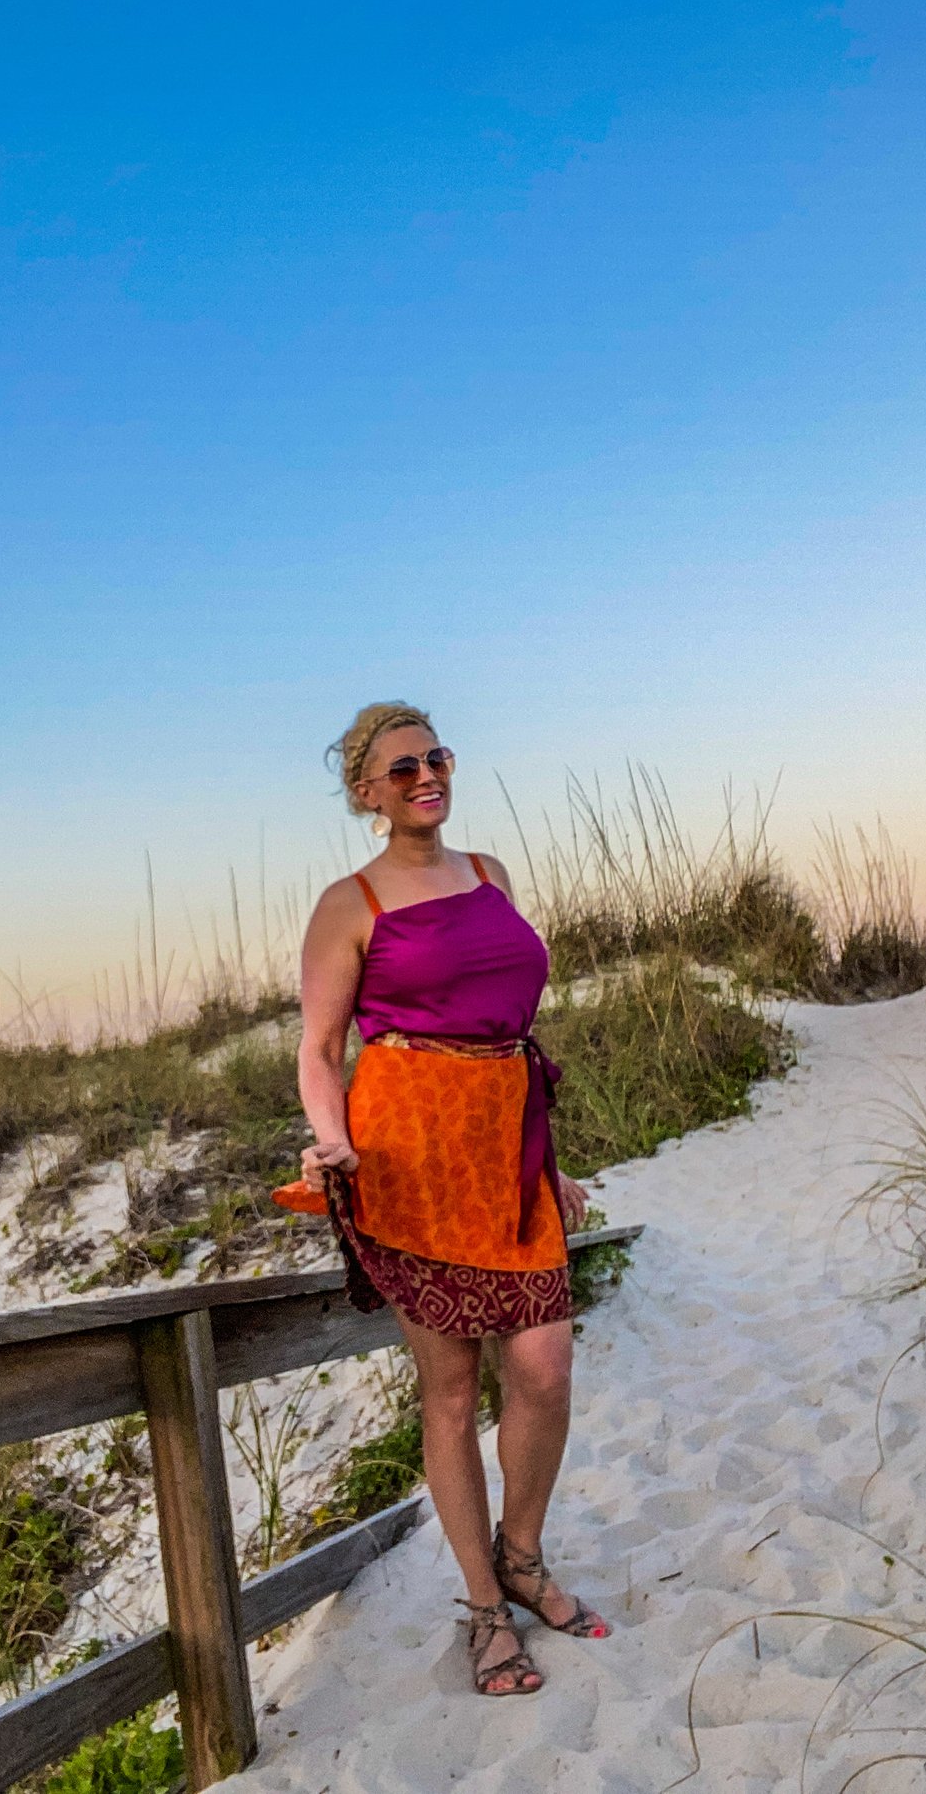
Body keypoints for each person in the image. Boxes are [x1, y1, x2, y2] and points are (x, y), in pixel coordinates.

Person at [293, 701, 611, 1698]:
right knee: (449, 1388)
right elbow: (317, 1049)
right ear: (364, 795)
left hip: (507, 1147)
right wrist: (334, 1139)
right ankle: (485, 1606)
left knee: (545, 1368)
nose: (424, 776)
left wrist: (548, 1161)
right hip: (408, 1159)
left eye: (434, 758)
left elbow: (509, 1037)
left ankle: (522, 1553)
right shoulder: (349, 903)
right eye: (400, 770)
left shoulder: (489, 876)